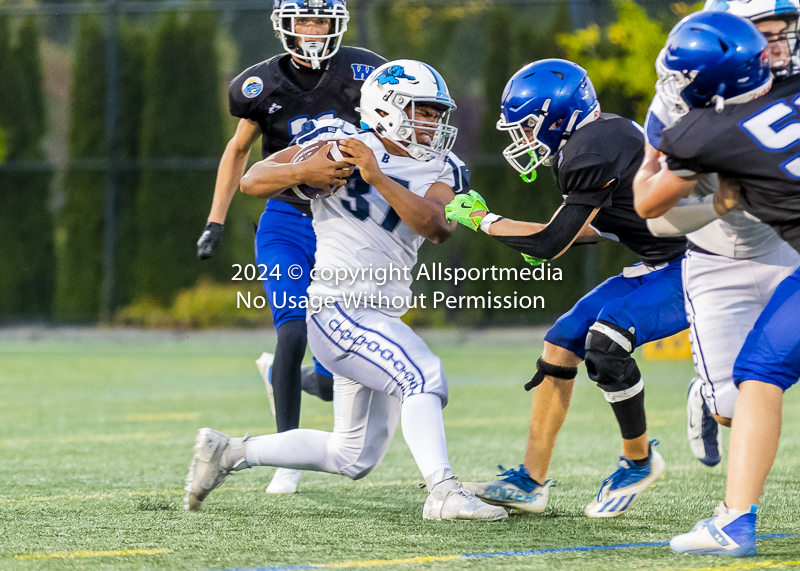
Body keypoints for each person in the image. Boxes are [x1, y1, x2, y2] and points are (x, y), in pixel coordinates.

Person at [184, 59, 505, 521]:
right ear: (388, 109)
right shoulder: (339, 145)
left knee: (352, 457)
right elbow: (252, 179)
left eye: (437, 112)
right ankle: (444, 493)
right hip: (339, 309)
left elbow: (436, 227)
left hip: (381, 315)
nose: (434, 122)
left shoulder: (444, 165)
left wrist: (378, 177)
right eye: (424, 110)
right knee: (423, 375)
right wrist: (304, 171)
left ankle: (229, 452)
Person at [448, 59, 688, 517]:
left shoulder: (591, 150)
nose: (521, 140)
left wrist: (485, 221)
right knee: (562, 339)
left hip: (700, 265)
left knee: (607, 340)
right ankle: (531, 481)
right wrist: (514, 230)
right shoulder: (599, 138)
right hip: (661, 261)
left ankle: (638, 460)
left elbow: (550, 243)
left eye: (526, 128)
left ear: (558, 116)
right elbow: (578, 230)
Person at [195, 0, 386, 494]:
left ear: (336, 24)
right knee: (292, 329)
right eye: (304, 19)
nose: (314, 29)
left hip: (342, 229)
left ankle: (287, 378)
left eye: (322, 19)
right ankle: (286, 457)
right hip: (285, 221)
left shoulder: (365, 73)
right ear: (286, 25)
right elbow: (238, 151)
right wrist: (215, 220)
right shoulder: (262, 85)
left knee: (330, 377)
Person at [633, 11, 800, 556]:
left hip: (780, 252)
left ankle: (733, 523)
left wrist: (656, 159)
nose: (778, 42)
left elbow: (646, 202)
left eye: (784, 30)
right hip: (721, 256)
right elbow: (656, 219)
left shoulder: (708, 128)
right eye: (766, 34)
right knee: (749, 384)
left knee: (759, 373)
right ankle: (733, 520)